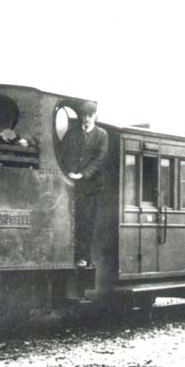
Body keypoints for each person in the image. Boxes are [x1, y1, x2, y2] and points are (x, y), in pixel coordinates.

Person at [62, 100, 110, 268]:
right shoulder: (71, 134)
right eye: (84, 115)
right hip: (70, 184)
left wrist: (82, 174)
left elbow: (100, 159)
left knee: (86, 222)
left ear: (95, 116)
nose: (87, 118)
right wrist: (68, 172)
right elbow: (64, 154)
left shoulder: (102, 135)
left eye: (90, 115)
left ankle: (83, 257)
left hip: (90, 186)